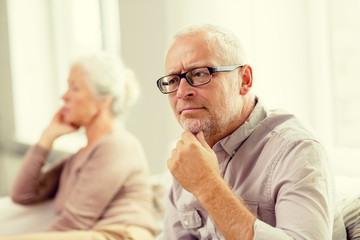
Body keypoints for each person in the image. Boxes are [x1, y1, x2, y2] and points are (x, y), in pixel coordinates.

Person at [155, 24, 346, 239]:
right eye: (172, 80)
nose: (181, 92)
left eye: (199, 74)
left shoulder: (297, 149)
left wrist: (207, 185)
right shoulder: (186, 156)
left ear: (244, 80)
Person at [1, 52, 156, 240]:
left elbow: (72, 224)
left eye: (74, 88)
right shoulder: (79, 156)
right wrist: (47, 137)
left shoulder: (117, 145)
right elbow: (23, 194)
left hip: (119, 235)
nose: (64, 96)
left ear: (103, 100)